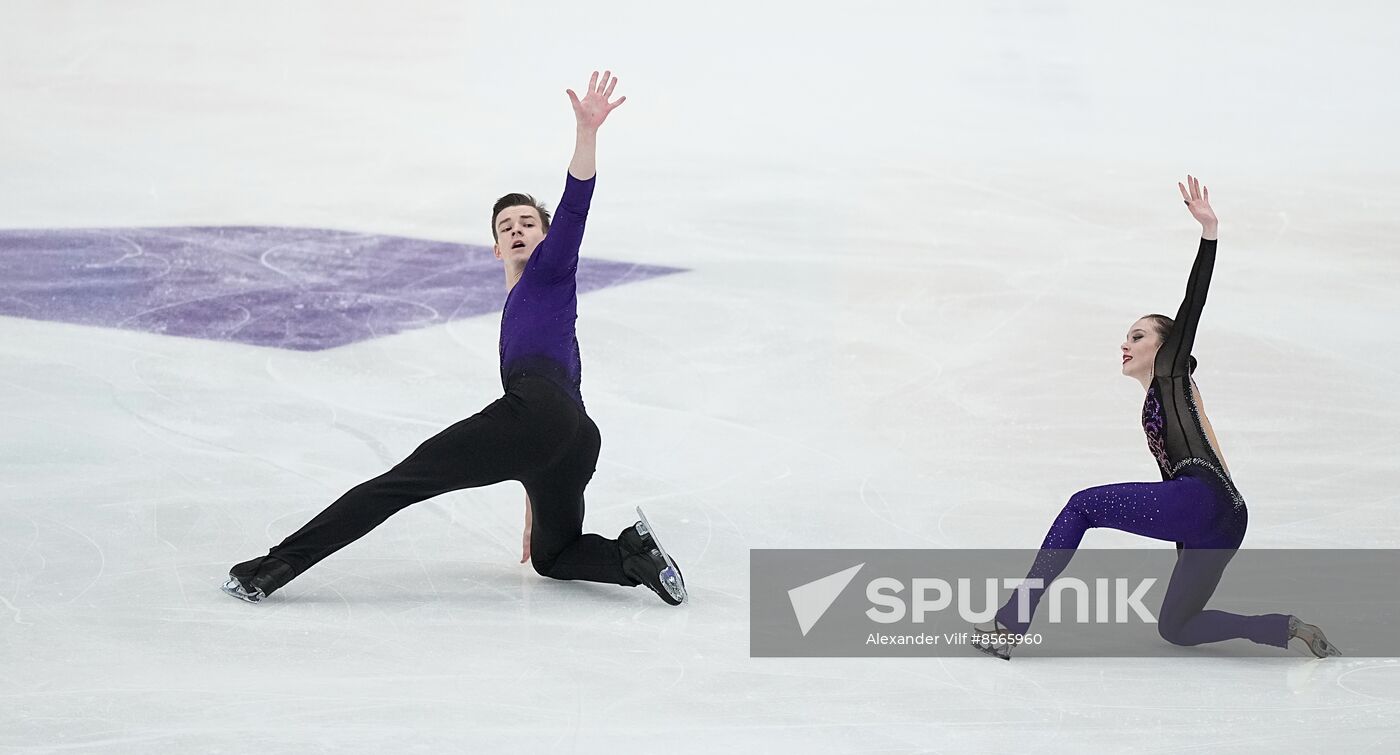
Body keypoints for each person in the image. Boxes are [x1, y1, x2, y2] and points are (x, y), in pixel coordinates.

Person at [222, 71, 686, 607]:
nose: (517, 229)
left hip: (543, 417)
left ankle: (272, 567)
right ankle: (631, 555)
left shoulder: (551, 271)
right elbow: (558, 413)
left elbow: (577, 202)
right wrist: (536, 495)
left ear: (546, 235)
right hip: (573, 436)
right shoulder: (532, 306)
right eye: (506, 226)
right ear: (495, 249)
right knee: (552, 557)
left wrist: (587, 134)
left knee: (398, 484)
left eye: (528, 223)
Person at [972, 175, 1336, 659]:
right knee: (1177, 627)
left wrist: (1209, 235)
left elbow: (1194, 303)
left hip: (1203, 500)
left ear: (1165, 348)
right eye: (1128, 336)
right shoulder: (1169, 397)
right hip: (1225, 515)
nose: (1127, 343)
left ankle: (1009, 624)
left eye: (1138, 336)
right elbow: (1197, 465)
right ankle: (1286, 627)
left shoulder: (1171, 372)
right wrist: (1188, 539)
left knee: (1082, 505)